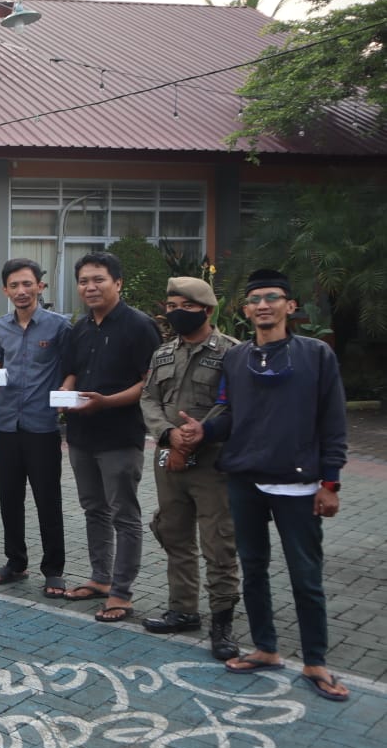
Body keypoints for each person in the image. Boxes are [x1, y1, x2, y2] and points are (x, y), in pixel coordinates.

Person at [176, 269, 350, 702]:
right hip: (244, 481)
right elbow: (231, 414)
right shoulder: (236, 359)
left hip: (298, 485)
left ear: (290, 306)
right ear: (245, 309)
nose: (263, 305)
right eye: (254, 299)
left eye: (273, 298)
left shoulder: (316, 355)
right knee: (252, 569)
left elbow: (333, 421)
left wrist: (331, 483)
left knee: (305, 577)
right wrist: (206, 432)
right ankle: (266, 648)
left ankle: (316, 661)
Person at [138, 277, 240, 660]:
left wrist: (196, 433)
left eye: (186, 306)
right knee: (175, 535)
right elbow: (149, 399)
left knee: (218, 542)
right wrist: (168, 435)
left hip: (212, 463)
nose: (176, 312)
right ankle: (183, 609)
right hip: (168, 459)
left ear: (207, 310)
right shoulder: (163, 354)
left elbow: (232, 405)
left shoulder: (232, 353)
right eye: (171, 304)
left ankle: (223, 620)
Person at [59, 251, 161, 623]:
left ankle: (121, 592)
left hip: (120, 436)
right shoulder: (80, 327)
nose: (90, 287)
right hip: (82, 435)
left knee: (124, 514)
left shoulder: (139, 326)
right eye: (84, 281)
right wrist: (65, 396)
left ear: (117, 283)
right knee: (93, 510)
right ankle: (100, 578)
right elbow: (70, 371)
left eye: (98, 279)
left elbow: (149, 383)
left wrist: (105, 403)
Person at [0, 258, 72, 592]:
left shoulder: (58, 326)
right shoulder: (0, 327)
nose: (21, 291)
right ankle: (15, 562)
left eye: (27, 284)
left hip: (42, 426)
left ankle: (53, 568)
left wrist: (66, 390)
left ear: (40, 286)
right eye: (14, 286)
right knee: (9, 498)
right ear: (5, 290)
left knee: (47, 499)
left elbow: (70, 368)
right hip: (5, 425)